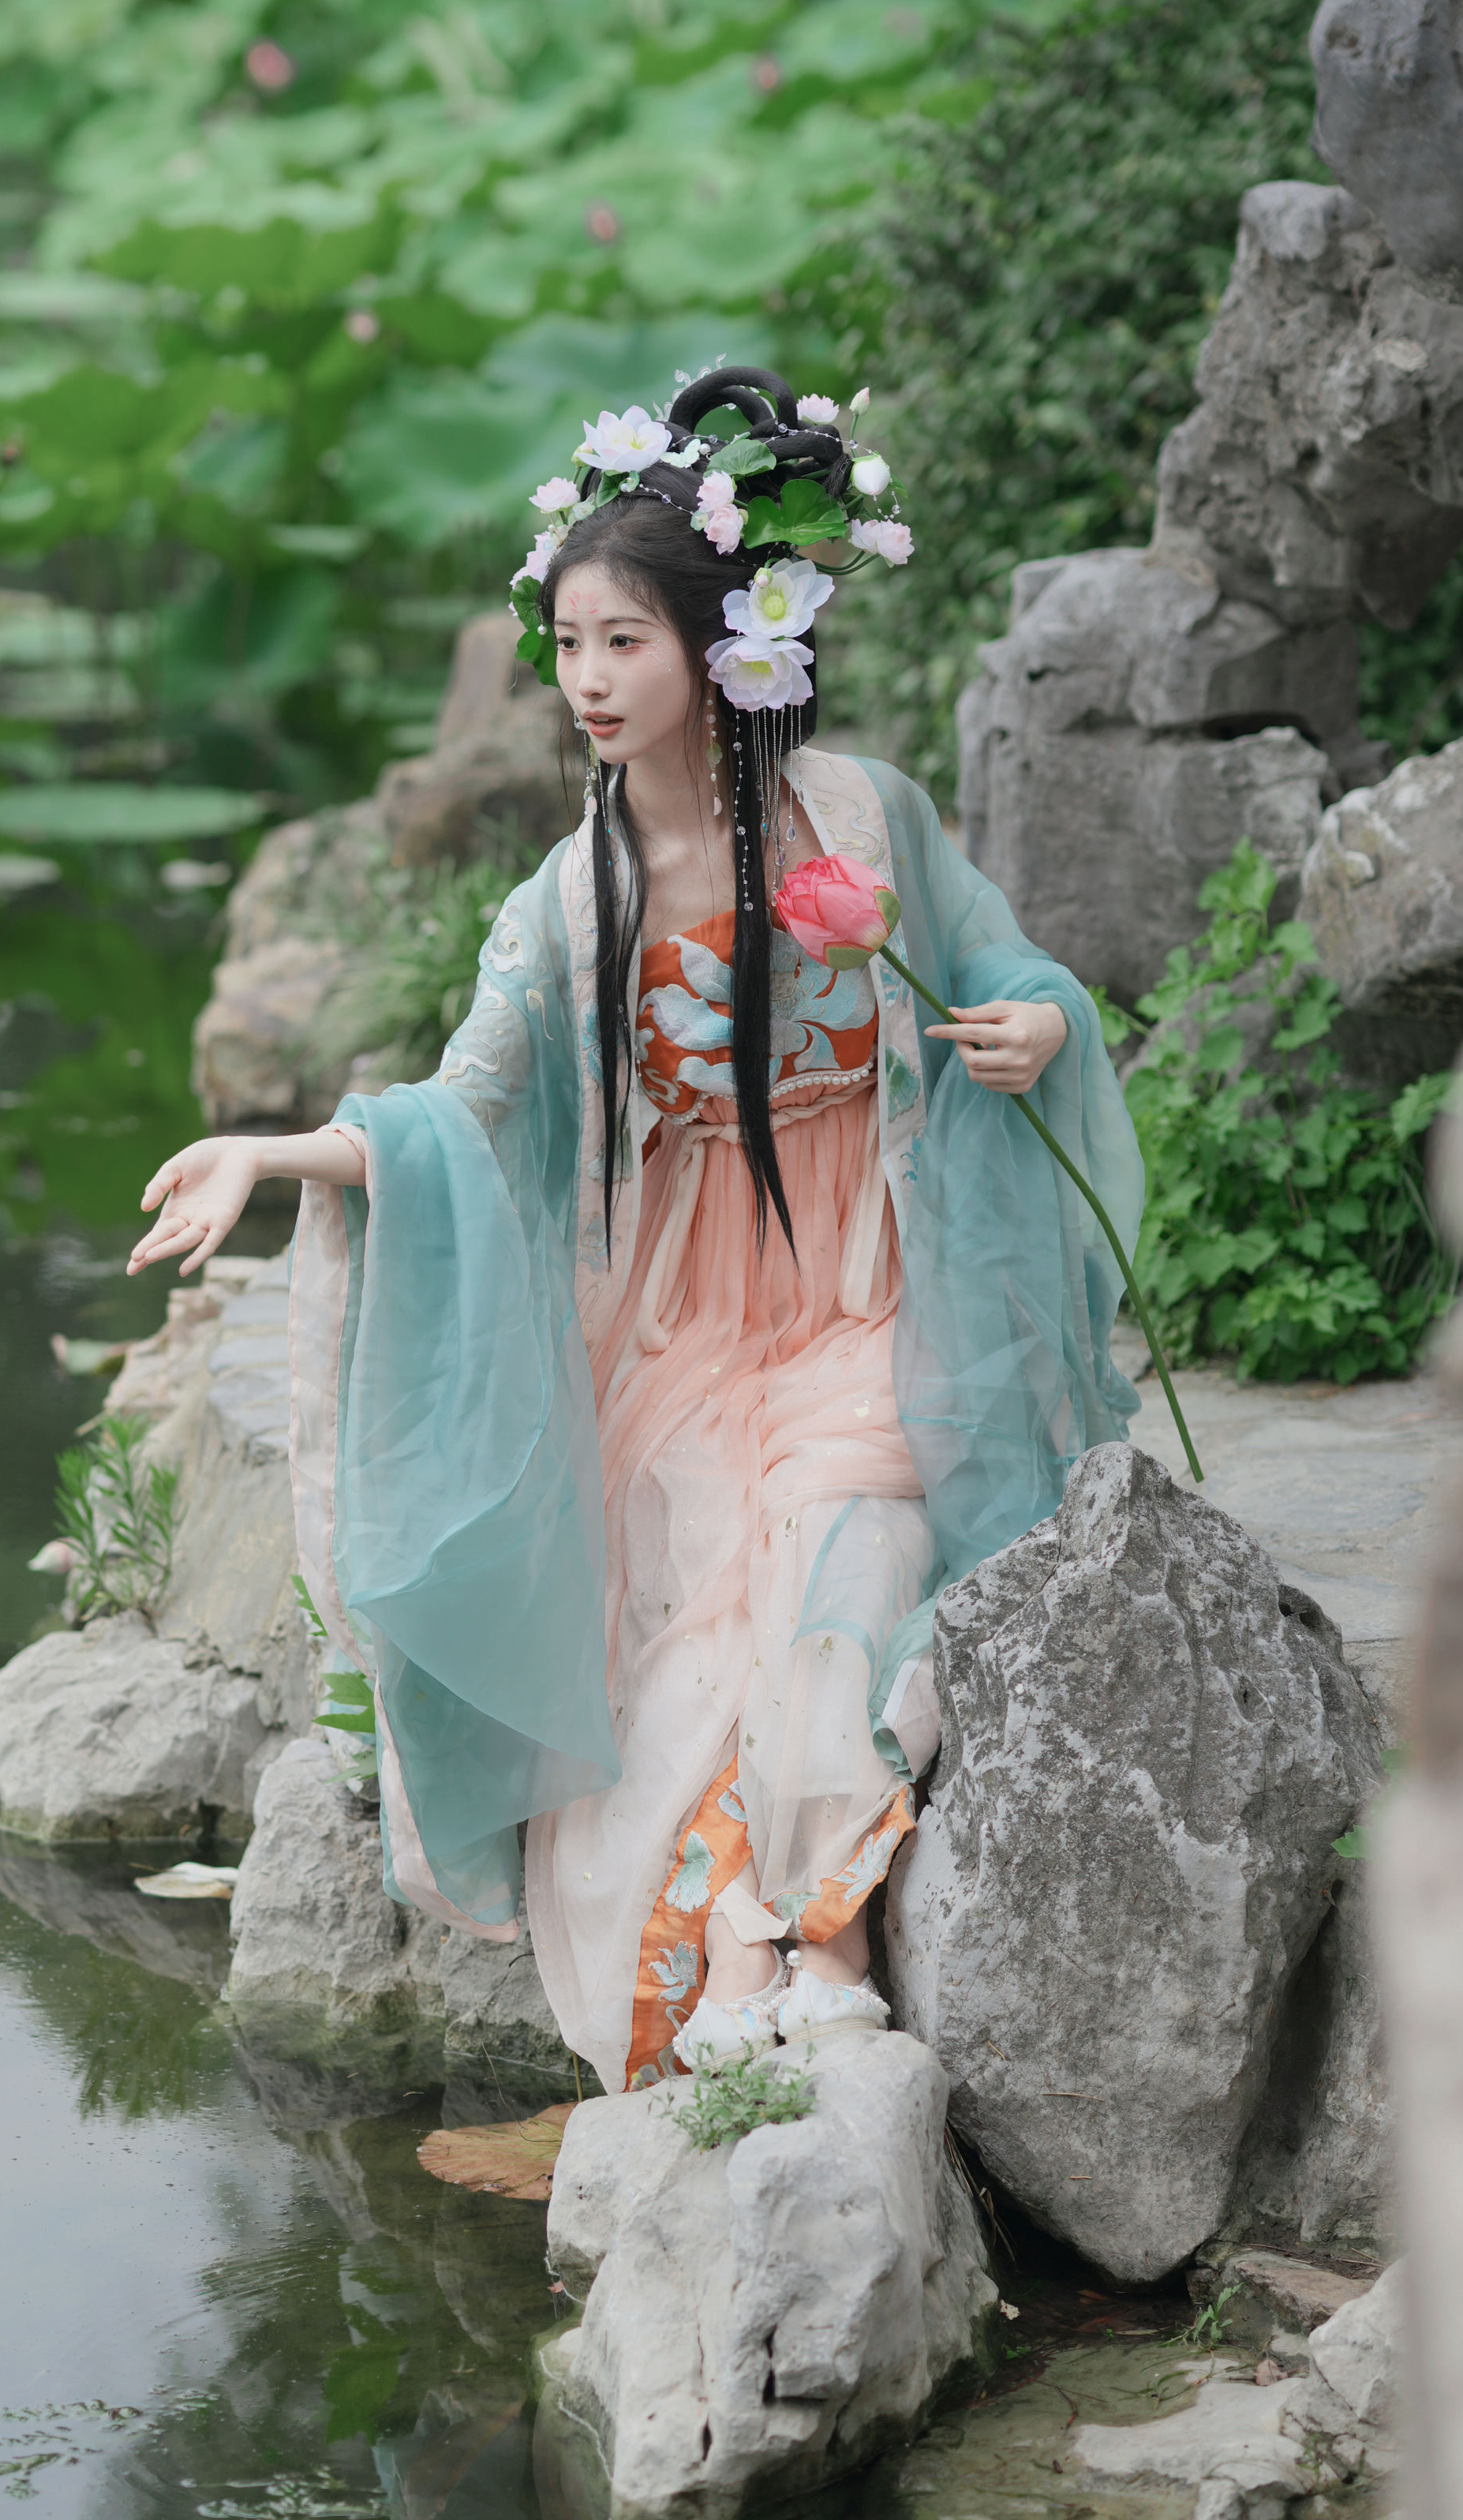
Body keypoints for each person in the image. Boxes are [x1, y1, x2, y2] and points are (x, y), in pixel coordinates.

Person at [129, 370, 1142, 2099]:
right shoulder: (570, 896)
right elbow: (463, 1104)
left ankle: (808, 1933)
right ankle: (745, 1940)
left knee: (846, 1569)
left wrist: (1036, 1028)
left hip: (864, 1294)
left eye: (626, 645)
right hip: (682, 1327)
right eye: (571, 646)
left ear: (729, 649)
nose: (589, 683)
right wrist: (271, 1148)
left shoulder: (865, 816)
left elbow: (1000, 969)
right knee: (685, 1647)